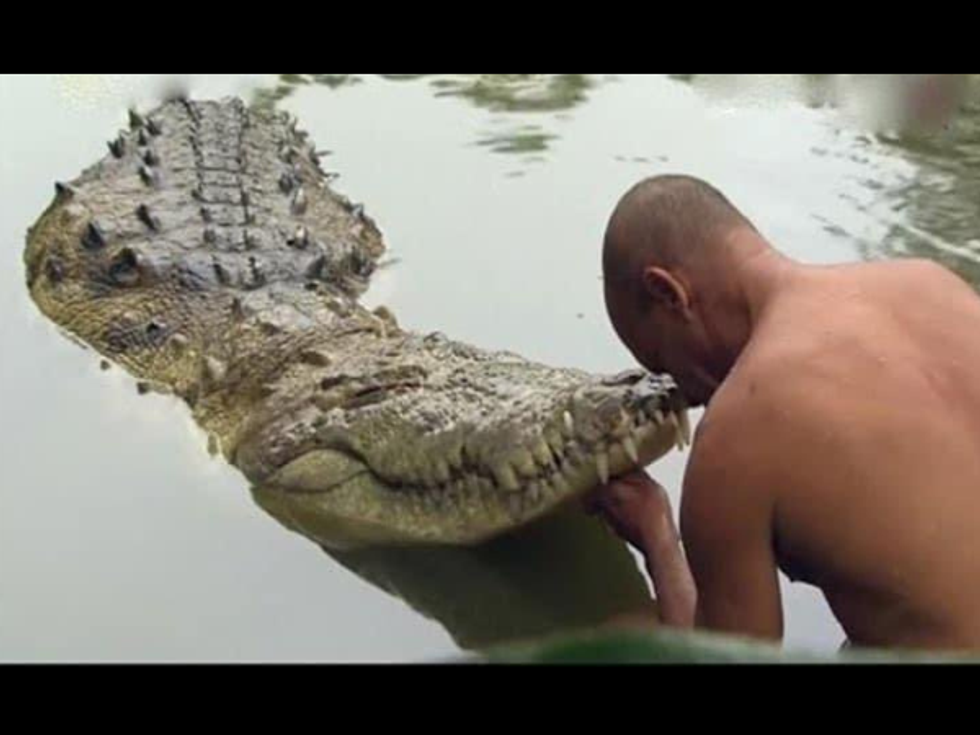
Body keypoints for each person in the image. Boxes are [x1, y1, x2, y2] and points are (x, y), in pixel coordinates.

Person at [588, 174, 980, 651]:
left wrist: (657, 536)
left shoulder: (736, 437)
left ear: (670, 293)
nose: (684, 394)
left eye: (662, 362)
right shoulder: (931, 282)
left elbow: (727, 665)